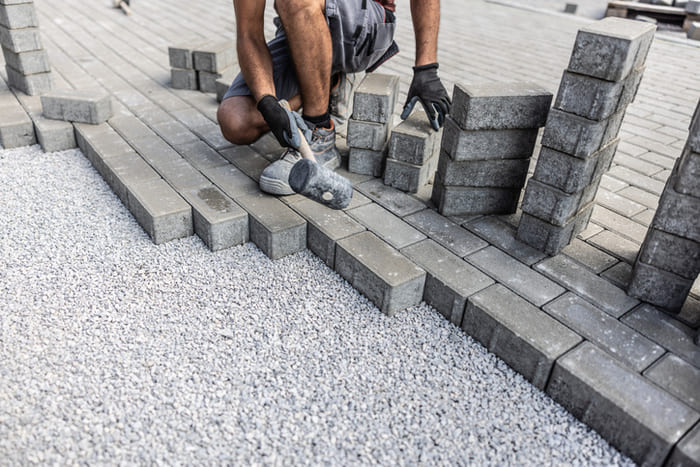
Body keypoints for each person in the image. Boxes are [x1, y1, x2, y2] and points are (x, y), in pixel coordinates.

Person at [217, 0, 451, 196]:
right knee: (236, 121)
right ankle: (329, 82)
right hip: (302, 24)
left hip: (365, 23)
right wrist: (267, 101)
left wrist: (426, 68)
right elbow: (249, 34)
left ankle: (320, 130)